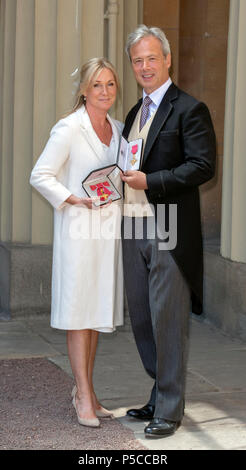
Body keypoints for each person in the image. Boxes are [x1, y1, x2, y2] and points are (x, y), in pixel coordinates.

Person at [121, 25, 216, 437]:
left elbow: (202, 166)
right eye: (137, 60)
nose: (144, 66)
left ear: (167, 59)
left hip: (169, 225)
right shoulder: (133, 112)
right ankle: (160, 392)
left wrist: (151, 181)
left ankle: (170, 408)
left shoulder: (189, 109)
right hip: (131, 226)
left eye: (151, 58)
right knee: (142, 317)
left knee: (167, 319)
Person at [30, 58, 124, 428]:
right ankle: (82, 395)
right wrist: (72, 199)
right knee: (77, 315)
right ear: (84, 90)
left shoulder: (117, 130)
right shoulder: (69, 128)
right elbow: (40, 174)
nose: (104, 91)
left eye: (111, 84)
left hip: (106, 236)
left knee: (95, 312)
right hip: (77, 233)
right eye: (97, 85)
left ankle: (88, 390)